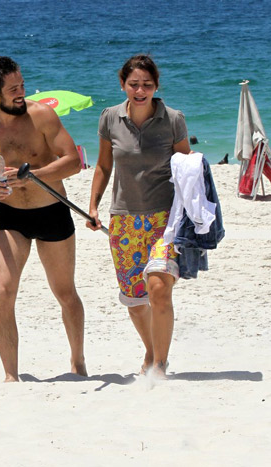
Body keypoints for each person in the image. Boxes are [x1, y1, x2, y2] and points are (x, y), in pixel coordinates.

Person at [0, 56, 87, 382]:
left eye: (21, 85)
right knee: (3, 291)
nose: (21, 92)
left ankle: (77, 362)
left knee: (65, 293)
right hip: (10, 216)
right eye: (13, 89)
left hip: (52, 210)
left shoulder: (42, 116)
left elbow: (73, 162)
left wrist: (33, 175)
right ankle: (10, 375)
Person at [86, 54, 192, 378]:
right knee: (134, 300)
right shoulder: (109, 118)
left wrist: (192, 218)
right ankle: (151, 350)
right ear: (123, 85)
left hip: (164, 220)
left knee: (158, 289)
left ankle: (160, 364)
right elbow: (104, 165)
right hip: (124, 219)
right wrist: (93, 205)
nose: (140, 90)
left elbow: (187, 171)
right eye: (134, 84)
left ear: (156, 86)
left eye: (147, 84)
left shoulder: (173, 120)